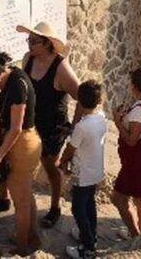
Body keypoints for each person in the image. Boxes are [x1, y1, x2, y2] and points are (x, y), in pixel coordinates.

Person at [0, 53, 42, 257]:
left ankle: (21, 249)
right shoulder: (13, 75)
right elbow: (10, 108)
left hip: (21, 146)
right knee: (26, 196)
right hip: (22, 143)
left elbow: (16, 129)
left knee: (21, 203)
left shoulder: (17, 85)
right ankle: (32, 237)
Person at [16, 22, 80, 229]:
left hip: (53, 126)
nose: (30, 45)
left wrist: (75, 126)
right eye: (29, 40)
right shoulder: (28, 60)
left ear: (47, 44)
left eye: (34, 42)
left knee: (51, 167)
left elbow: (81, 96)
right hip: (31, 123)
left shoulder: (60, 67)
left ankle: (55, 207)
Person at [58, 80, 106, 259]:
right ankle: (91, 235)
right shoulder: (101, 118)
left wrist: (61, 162)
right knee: (89, 205)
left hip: (83, 173)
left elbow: (70, 149)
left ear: (80, 102)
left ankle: (88, 248)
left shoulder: (82, 126)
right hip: (95, 171)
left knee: (78, 209)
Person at [112, 68, 141, 238]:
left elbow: (132, 140)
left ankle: (135, 235)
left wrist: (117, 122)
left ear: (135, 86)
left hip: (136, 162)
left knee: (119, 198)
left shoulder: (140, 110)